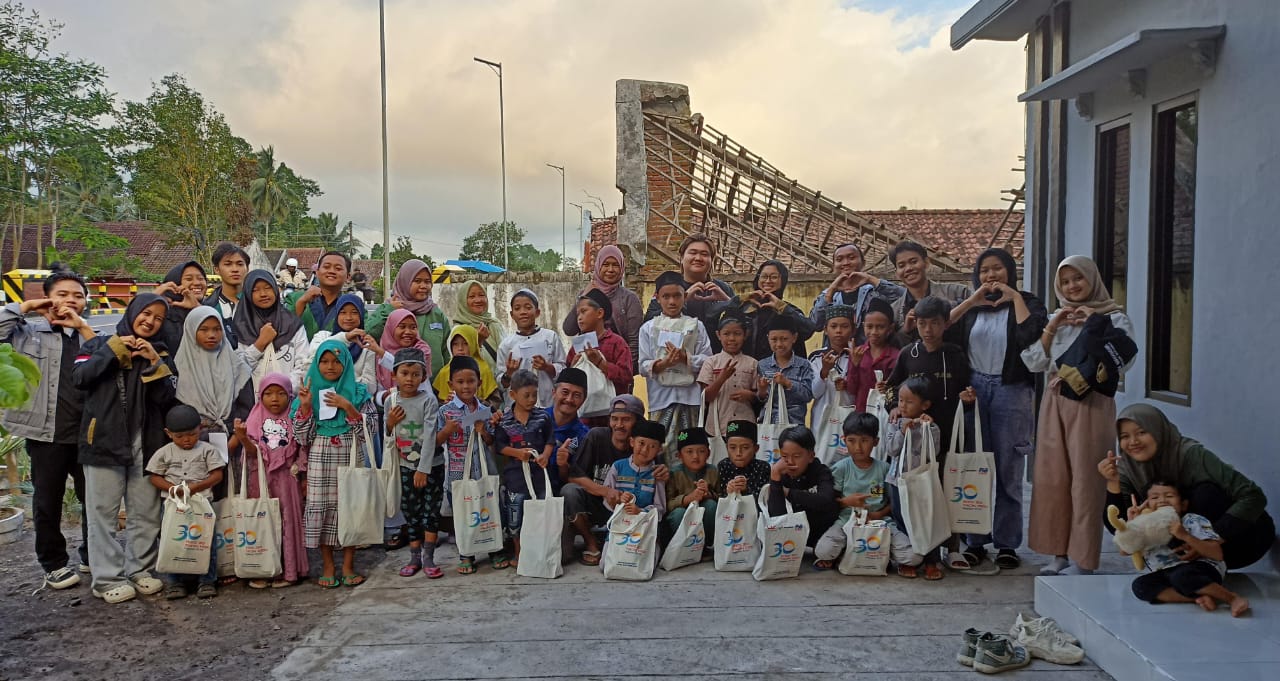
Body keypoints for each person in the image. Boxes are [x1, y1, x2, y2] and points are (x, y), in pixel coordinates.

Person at [1022, 255, 1136, 576]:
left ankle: (1084, 559)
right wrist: (1052, 325)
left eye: (1078, 279)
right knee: (1052, 477)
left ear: (1092, 279)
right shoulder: (1059, 317)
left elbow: (1124, 363)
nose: (1073, 287)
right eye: (1066, 281)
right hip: (1055, 398)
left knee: (1087, 480)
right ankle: (1057, 553)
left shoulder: (1114, 318)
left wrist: (1092, 325)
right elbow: (1033, 362)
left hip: (1092, 402)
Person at [74, 293, 178, 603]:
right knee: (102, 513)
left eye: (158, 318)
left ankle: (139, 570)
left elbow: (167, 400)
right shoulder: (98, 344)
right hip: (103, 440)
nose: (150, 321)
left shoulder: (159, 352)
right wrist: (115, 349)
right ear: (133, 312)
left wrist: (155, 362)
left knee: (145, 511)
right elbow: (80, 377)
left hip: (145, 443)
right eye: (146, 313)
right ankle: (106, 578)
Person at [948, 248, 1048, 571]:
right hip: (975, 389)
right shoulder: (973, 308)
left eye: (998, 269)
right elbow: (942, 328)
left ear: (1010, 272)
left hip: (1012, 391)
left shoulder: (1029, 303)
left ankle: (1007, 543)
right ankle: (975, 540)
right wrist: (971, 301)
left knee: (1009, 469)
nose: (991, 276)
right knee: (975, 466)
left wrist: (1015, 298)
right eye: (985, 271)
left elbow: (1031, 336)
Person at [0, 266, 95, 589]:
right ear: (48, 298)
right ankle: (53, 563)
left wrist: (82, 328)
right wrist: (26, 307)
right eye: (63, 294)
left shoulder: (87, 335)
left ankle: (91, 555)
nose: (71, 301)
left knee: (92, 500)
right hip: (44, 434)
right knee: (46, 502)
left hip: (85, 434)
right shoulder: (26, 333)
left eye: (78, 296)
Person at [1101, 404, 1274, 570]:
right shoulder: (1127, 468)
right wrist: (1113, 481)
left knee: (1204, 495)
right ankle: (1198, 578)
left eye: (1142, 432)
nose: (1133, 442)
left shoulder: (1191, 455)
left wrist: (1209, 541)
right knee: (1153, 510)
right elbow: (1118, 527)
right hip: (1186, 550)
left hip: (1245, 538)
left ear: (1158, 430)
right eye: (1124, 436)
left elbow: (1253, 496)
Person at [292, 340, 379, 588]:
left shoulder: (359, 392)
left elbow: (369, 432)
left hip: (350, 454)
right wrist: (307, 407)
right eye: (325, 361)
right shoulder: (308, 393)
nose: (330, 367)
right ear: (317, 363)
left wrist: (348, 406)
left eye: (336, 362)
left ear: (346, 364)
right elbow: (301, 438)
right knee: (322, 508)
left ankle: (348, 565)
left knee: (349, 507)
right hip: (320, 457)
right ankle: (328, 565)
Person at [562, 395, 666, 565]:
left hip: (632, 511)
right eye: (614, 419)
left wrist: (664, 474)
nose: (619, 425)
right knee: (570, 491)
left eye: (626, 420)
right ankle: (591, 542)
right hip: (598, 504)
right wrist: (606, 491)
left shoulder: (647, 447)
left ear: (638, 422)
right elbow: (575, 476)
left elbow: (659, 485)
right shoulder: (596, 436)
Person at [1125, 480, 1250, 617]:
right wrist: (1131, 525)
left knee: (1182, 576)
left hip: (1201, 569)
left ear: (1183, 505)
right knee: (1140, 586)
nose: (1162, 500)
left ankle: (1231, 598)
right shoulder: (1145, 528)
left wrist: (1184, 535)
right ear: (1146, 507)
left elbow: (1217, 554)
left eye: (1169, 496)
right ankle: (1196, 598)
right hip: (1167, 573)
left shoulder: (1191, 520)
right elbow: (1125, 550)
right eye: (1155, 497)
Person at [231, 372, 309, 587]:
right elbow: (251, 453)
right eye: (269, 393)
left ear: (289, 395)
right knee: (262, 521)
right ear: (260, 396)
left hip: (287, 479)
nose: (275, 399)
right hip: (261, 479)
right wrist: (242, 437)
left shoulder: (294, 417)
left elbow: (303, 445)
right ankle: (262, 570)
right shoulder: (255, 418)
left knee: (287, 522)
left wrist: (300, 473)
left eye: (281, 393)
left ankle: (288, 571)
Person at [146, 405, 225, 600]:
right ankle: (175, 581)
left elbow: (217, 475)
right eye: (179, 436)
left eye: (191, 434)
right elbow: (154, 477)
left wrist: (194, 488)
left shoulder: (207, 450)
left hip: (202, 505)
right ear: (168, 433)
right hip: (174, 505)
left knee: (205, 541)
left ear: (201, 428)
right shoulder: (165, 452)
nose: (186, 440)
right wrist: (172, 488)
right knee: (174, 541)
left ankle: (207, 580)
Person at [376, 348, 443, 579]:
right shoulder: (391, 401)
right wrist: (390, 423)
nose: (410, 379)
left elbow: (430, 434)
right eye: (405, 373)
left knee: (430, 513)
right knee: (411, 512)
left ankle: (429, 558)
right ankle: (414, 557)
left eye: (416, 374)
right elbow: (388, 437)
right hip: (404, 466)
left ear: (423, 377)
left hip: (431, 466)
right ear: (394, 375)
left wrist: (423, 469)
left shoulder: (428, 401)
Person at [882, 296, 974, 458]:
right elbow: (890, 386)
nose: (928, 330)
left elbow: (966, 390)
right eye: (922, 323)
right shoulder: (908, 353)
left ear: (946, 323)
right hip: (913, 431)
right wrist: (894, 406)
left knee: (945, 479)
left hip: (948, 430)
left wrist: (968, 400)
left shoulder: (956, 355)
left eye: (935, 323)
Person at [435, 355, 498, 575]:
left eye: (471, 381)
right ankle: (466, 554)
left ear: (479, 383)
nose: (466, 386)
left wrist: (484, 431)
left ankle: (493, 549)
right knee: (463, 515)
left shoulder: (485, 409)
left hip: (483, 470)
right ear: (451, 384)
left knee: (487, 510)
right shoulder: (444, 412)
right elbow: (435, 442)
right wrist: (447, 431)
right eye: (460, 382)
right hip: (457, 474)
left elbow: (492, 441)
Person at [640, 270, 712, 457]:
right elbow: (642, 365)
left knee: (688, 448)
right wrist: (663, 364)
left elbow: (708, 361)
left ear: (685, 296)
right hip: (660, 398)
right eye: (666, 296)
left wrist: (685, 358)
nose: (672, 301)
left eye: (677, 296)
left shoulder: (697, 326)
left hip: (690, 398)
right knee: (660, 449)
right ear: (657, 298)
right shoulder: (648, 328)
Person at [880, 378, 944, 579]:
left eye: (909, 401)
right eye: (900, 400)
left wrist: (927, 428)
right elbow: (891, 449)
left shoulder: (930, 426)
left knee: (926, 519)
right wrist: (901, 430)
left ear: (924, 405)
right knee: (902, 520)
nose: (902, 405)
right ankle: (907, 560)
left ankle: (931, 561)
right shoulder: (894, 423)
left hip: (922, 483)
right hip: (898, 482)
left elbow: (934, 451)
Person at [491, 370, 555, 570]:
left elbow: (550, 440)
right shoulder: (504, 420)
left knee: (541, 514)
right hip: (515, 478)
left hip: (539, 477)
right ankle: (519, 551)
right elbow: (499, 447)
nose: (531, 400)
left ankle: (542, 550)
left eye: (534, 395)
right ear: (513, 395)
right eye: (526, 395)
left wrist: (545, 455)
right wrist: (517, 453)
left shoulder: (543, 417)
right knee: (516, 516)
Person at [813, 412, 893, 570]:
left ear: (875, 441)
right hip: (846, 521)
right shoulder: (841, 468)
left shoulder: (884, 469)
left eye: (864, 441)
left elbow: (893, 503)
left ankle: (859, 553)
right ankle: (854, 552)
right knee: (824, 551)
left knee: (911, 557)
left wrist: (878, 515)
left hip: (878, 522)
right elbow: (829, 502)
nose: (858, 447)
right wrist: (846, 502)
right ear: (844, 441)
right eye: (851, 441)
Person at [643, 234, 735, 353]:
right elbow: (649, 322)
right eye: (693, 252)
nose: (698, 258)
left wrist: (727, 301)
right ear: (681, 258)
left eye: (704, 254)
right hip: (676, 360)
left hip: (717, 360)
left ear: (711, 260)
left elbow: (742, 325)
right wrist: (681, 300)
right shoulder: (669, 287)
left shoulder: (723, 289)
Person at [562, 244, 644, 372]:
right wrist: (583, 297)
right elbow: (568, 329)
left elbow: (634, 341)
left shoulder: (629, 299)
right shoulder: (585, 295)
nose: (610, 270)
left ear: (622, 267)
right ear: (598, 265)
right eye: (605, 264)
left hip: (617, 368)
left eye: (615, 265)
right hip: (587, 369)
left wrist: (627, 373)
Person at [366, 259, 451, 377]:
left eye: (427, 282)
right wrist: (389, 311)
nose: (423, 286)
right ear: (405, 281)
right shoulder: (389, 308)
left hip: (434, 388)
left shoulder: (436, 313)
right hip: (396, 387)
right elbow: (369, 334)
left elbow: (445, 352)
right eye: (417, 281)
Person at [809, 242, 904, 346]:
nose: (846, 263)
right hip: (836, 358)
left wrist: (870, 279)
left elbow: (903, 296)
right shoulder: (828, 295)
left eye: (851, 257)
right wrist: (831, 291)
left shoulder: (875, 292)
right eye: (839, 259)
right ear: (834, 266)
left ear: (863, 263)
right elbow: (815, 325)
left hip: (870, 357)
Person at [887, 241, 971, 346]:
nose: (908, 268)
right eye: (901, 265)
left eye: (913, 261)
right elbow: (890, 348)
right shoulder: (894, 312)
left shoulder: (957, 293)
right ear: (897, 273)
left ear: (926, 263)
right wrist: (905, 330)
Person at [766, 426, 839, 546]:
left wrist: (789, 493)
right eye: (784, 456)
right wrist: (775, 478)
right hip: (790, 540)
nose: (790, 462)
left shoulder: (821, 472)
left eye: (796, 456)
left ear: (810, 456)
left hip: (820, 535)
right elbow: (776, 516)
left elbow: (825, 500)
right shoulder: (780, 474)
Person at [234, 270, 309, 387]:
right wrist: (259, 344)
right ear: (248, 294)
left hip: (287, 399)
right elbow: (234, 371)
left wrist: (280, 390)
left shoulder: (292, 324)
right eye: (255, 290)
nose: (263, 294)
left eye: (268, 288)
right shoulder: (239, 327)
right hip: (250, 402)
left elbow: (304, 366)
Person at [294, 293, 381, 393]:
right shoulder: (322, 337)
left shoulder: (366, 345)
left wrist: (337, 388)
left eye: (354, 312)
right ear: (336, 315)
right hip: (320, 400)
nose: (348, 317)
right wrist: (345, 338)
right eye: (343, 312)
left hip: (352, 404)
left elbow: (370, 386)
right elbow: (310, 365)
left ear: (361, 315)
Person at [496, 289, 565, 408]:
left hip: (547, 403)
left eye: (528, 307)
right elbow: (501, 384)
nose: (523, 312)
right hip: (516, 408)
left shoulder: (550, 337)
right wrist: (509, 373)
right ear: (512, 315)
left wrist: (546, 367)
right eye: (517, 308)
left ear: (537, 312)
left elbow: (563, 369)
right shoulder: (506, 345)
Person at [565, 288, 634, 404]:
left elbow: (626, 377)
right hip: (583, 412)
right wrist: (572, 367)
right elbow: (566, 379)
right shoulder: (577, 346)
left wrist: (600, 363)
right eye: (578, 314)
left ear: (599, 313)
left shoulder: (617, 343)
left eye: (584, 311)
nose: (579, 318)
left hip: (612, 413)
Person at [698, 311, 759, 436]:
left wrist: (750, 395)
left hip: (745, 423)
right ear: (718, 335)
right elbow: (706, 397)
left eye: (737, 334)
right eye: (726, 334)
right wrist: (722, 378)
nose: (732, 338)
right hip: (717, 425)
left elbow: (759, 397)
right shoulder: (711, 362)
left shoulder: (753, 363)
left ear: (745, 335)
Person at [740, 259, 815, 360]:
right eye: (764, 276)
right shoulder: (746, 308)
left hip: (783, 370)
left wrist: (781, 307)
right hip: (749, 369)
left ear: (782, 280)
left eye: (774, 277)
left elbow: (808, 329)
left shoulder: (788, 309)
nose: (768, 281)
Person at [603, 419, 668, 526]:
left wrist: (641, 512)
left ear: (659, 450)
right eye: (641, 443)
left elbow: (660, 508)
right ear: (632, 442)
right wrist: (618, 500)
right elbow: (607, 496)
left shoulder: (657, 473)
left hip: (645, 527)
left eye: (652, 446)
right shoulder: (618, 467)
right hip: (618, 525)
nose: (645, 450)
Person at [665, 426, 722, 542]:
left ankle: (708, 545)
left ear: (708, 453)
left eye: (701, 451)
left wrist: (708, 495)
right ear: (679, 455)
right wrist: (688, 499)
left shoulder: (713, 471)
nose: (695, 456)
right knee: (678, 514)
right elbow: (667, 504)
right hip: (682, 514)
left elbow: (723, 499)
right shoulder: (674, 474)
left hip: (704, 516)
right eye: (689, 451)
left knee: (711, 505)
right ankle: (680, 547)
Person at [756, 316, 814, 426]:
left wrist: (788, 383)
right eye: (774, 339)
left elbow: (808, 395)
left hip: (794, 423)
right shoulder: (762, 365)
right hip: (769, 425)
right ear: (768, 338)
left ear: (794, 338)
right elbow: (761, 399)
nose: (779, 344)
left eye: (784, 339)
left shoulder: (803, 365)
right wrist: (762, 391)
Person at [845, 298, 899, 413]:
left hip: (885, 413)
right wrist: (855, 365)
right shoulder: (858, 353)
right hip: (861, 413)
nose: (874, 332)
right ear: (863, 326)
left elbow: (899, 389)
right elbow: (851, 389)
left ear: (890, 328)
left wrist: (887, 388)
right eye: (869, 327)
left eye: (880, 327)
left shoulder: (896, 356)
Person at [808, 304, 855, 429]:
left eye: (844, 326)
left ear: (853, 329)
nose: (838, 330)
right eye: (833, 326)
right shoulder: (816, 357)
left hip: (851, 419)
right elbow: (814, 393)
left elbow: (863, 390)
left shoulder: (858, 355)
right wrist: (824, 371)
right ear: (825, 329)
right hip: (822, 419)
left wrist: (848, 385)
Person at [288, 251, 352, 339]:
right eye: (326, 267)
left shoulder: (352, 305)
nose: (331, 271)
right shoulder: (294, 298)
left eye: (338, 268)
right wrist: (302, 301)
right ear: (317, 272)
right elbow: (281, 327)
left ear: (348, 277)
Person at [545, 368, 591, 491]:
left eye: (576, 395)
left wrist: (563, 465)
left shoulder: (584, 436)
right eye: (565, 392)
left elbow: (573, 480)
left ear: (583, 400)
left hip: (558, 496)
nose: (569, 399)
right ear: (554, 392)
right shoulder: (534, 419)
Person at [432, 325, 500, 407]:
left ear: (473, 344)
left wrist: (476, 402)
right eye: (455, 344)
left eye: (465, 343)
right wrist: (446, 404)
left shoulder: (483, 370)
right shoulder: (444, 372)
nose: (460, 348)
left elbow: (495, 402)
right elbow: (434, 404)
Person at [452, 279, 506, 372]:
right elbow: (460, 364)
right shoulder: (459, 330)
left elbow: (506, 355)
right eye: (472, 296)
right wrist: (478, 342)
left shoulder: (494, 324)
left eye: (481, 295)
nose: (478, 300)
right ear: (463, 301)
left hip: (501, 383)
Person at [156, 260, 208, 352]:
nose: (197, 283)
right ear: (175, 284)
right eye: (188, 279)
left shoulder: (210, 309)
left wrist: (198, 308)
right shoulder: (163, 315)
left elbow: (229, 343)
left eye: (201, 278)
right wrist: (152, 298)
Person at [376, 308, 433, 391]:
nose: (408, 332)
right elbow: (378, 389)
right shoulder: (379, 353)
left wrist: (383, 354)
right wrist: (384, 397)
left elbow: (408, 365)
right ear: (391, 328)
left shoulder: (422, 350)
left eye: (413, 327)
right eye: (402, 327)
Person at [205, 242, 250, 347]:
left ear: (247, 268)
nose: (235, 269)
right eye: (228, 264)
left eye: (240, 264)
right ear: (217, 269)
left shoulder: (258, 302)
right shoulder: (209, 306)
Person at [717, 420, 772, 499]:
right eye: (733, 448)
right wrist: (728, 491)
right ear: (726, 448)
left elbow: (765, 499)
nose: (738, 453)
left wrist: (746, 490)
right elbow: (719, 499)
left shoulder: (763, 467)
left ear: (756, 448)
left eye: (745, 448)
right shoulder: (723, 466)